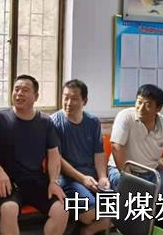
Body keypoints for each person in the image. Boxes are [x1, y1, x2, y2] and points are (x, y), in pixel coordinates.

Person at [0, 74, 69, 235]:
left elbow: (54, 154)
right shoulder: (0, 118)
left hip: (37, 181)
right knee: (9, 209)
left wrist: (54, 181)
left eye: (25, 90)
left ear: (36, 97)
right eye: (16, 89)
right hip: (8, 182)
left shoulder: (45, 122)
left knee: (63, 209)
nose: (19, 93)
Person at [51, 79, 111, 235]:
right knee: (90, 214)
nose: (68, 103)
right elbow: (57, 159)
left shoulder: (93, 122)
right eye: (65, 97)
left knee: (122, 207)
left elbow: (99, 153)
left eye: (74, 98)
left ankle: (89, 230)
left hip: (92, 176)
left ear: (85, 101)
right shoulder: (54, 122)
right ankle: (90, 227)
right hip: (67, 178)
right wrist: (82, 179)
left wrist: (102, 176)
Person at [108, 84, 163, 196]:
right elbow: (116, 147)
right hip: (122, 170)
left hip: (152, 172)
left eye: (148, 105)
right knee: (136, 194)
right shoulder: (125, 116)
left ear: (158, 108)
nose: (141, 109)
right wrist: (129, 177)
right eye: (139, 102)